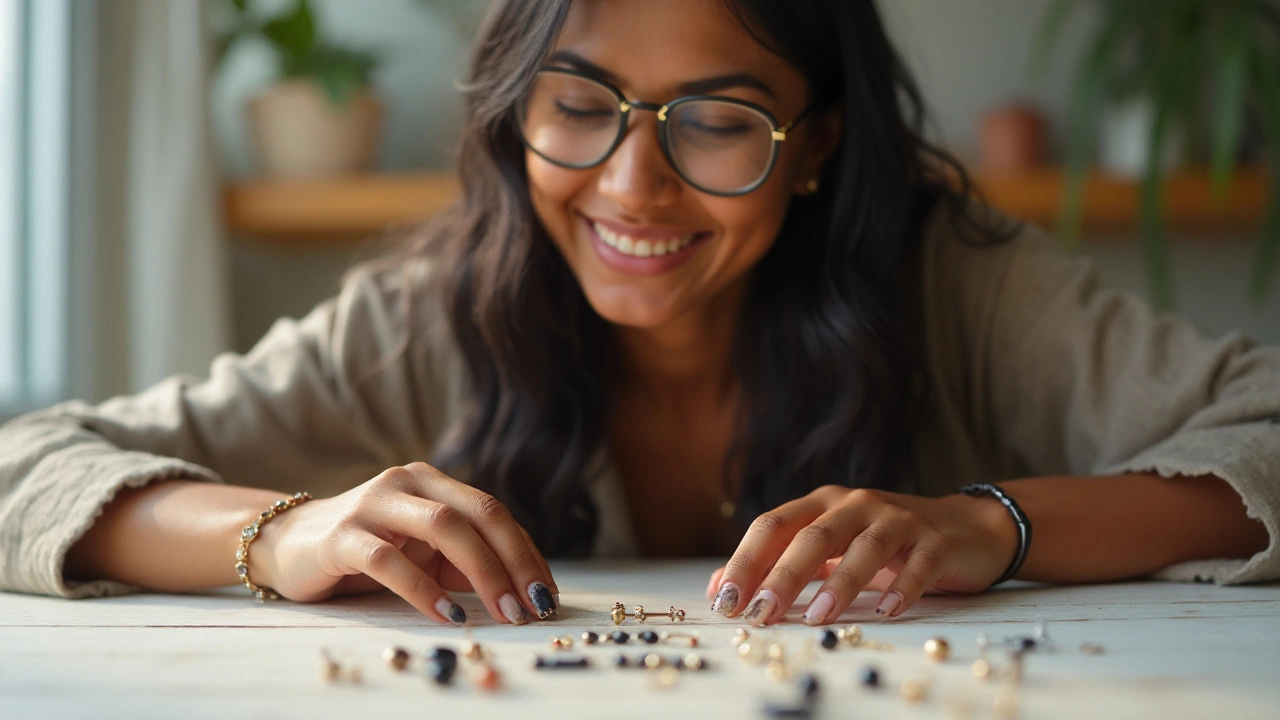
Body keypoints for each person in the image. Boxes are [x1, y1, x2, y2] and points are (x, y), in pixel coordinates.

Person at [1, 0, 1276, 629]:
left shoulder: (953, 282)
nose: (630, 185)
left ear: (818, 141)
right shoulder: (426, 314)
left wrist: (986, 527)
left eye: (718, 121)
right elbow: (26, 462)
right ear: (515, 110)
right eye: (576, 104)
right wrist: (279, 532)